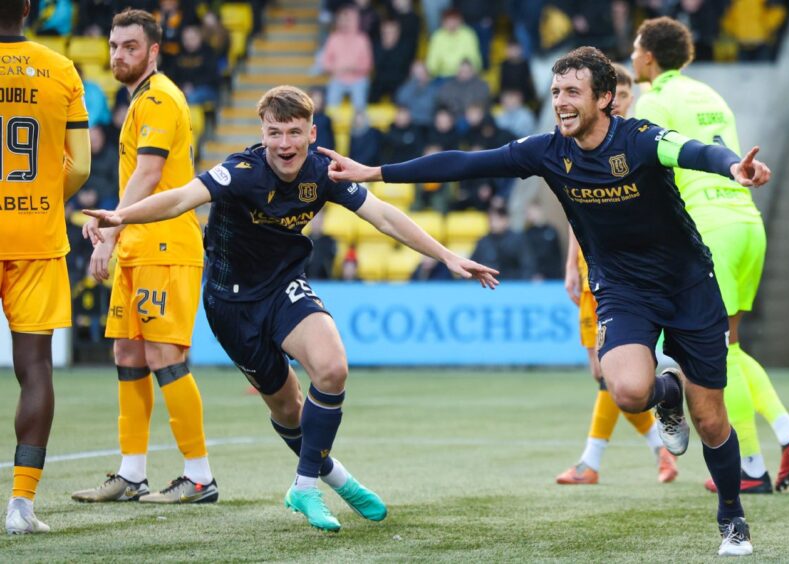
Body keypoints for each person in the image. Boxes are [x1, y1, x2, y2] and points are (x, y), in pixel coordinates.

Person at [317, 45, 772, 556]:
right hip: (622, 289)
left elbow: (694, 152)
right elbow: (466, 164)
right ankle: (668, 395)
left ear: (604, 98)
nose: (561, 102)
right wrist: (375, 173)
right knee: (625, 390)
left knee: (711, 420)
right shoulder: (547, 150)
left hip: (688, 283)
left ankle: (732, 515)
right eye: (556, 92)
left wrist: (733, 166)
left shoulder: (640, 140)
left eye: (572, 92)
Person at [82, 85, 499, 531]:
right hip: (231, 304)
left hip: (284, 288)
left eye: (294, 133)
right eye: (275, 133)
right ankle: (336, 475)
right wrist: (122, 216)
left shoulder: (323, 172)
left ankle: (303, 486)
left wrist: (448, 256)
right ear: (262, 134)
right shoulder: (240, 171)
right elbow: (181, 197)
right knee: (287, 406)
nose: (284, 144)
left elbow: (383, 216)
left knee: (332, 368)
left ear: (311, 132)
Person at [631, 16, 789, 494]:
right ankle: (788, 434)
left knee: (716, 355)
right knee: (730, 346)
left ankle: (750, 468)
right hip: (746, 222)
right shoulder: (710, 95)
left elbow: (651, 168)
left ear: (649, 56)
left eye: (635, 49)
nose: (632, 57)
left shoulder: (654, 99)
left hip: (709, 229)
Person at [71, 9, 217, 505]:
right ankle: (132, 474)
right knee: (128, 354)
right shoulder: (139, 101)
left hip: (165, 244)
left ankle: (199, 477)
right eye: (114, 46)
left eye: (129, 46)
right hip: (140, 246)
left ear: (153, 51)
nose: (117, 55)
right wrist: (119, 236)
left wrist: (110, 228)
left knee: (164, 356)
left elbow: (149, 175)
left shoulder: (157, 98)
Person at [556, 63, 677, 486]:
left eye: (627, 95)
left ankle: (597, 460)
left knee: (615, 371)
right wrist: (572, 262)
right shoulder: (580, 145)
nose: (622, 102)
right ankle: (656, 450)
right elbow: (577, 206)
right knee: (600, 372)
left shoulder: (636, 143)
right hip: (593, 272)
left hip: (629, 278)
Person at [0, 0, 91, 534]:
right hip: (36, 232)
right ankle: (21, 507)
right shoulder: (59, 68)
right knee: (34, 368)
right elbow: (78, 164)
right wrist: (38, 195)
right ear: (29, 9)